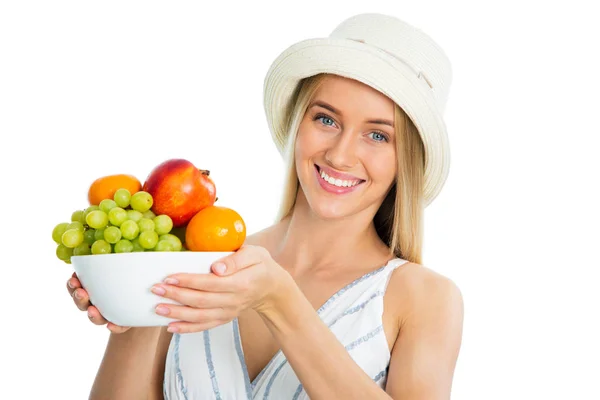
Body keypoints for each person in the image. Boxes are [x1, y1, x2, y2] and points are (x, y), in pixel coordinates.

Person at [66, 13, 464, 399]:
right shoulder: (200, 260)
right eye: (326, 120)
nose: (341, 155)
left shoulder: (424, 298)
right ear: (297, 124)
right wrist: (134, 302)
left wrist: (279, 300)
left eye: (378, 136)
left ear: (406, 161)